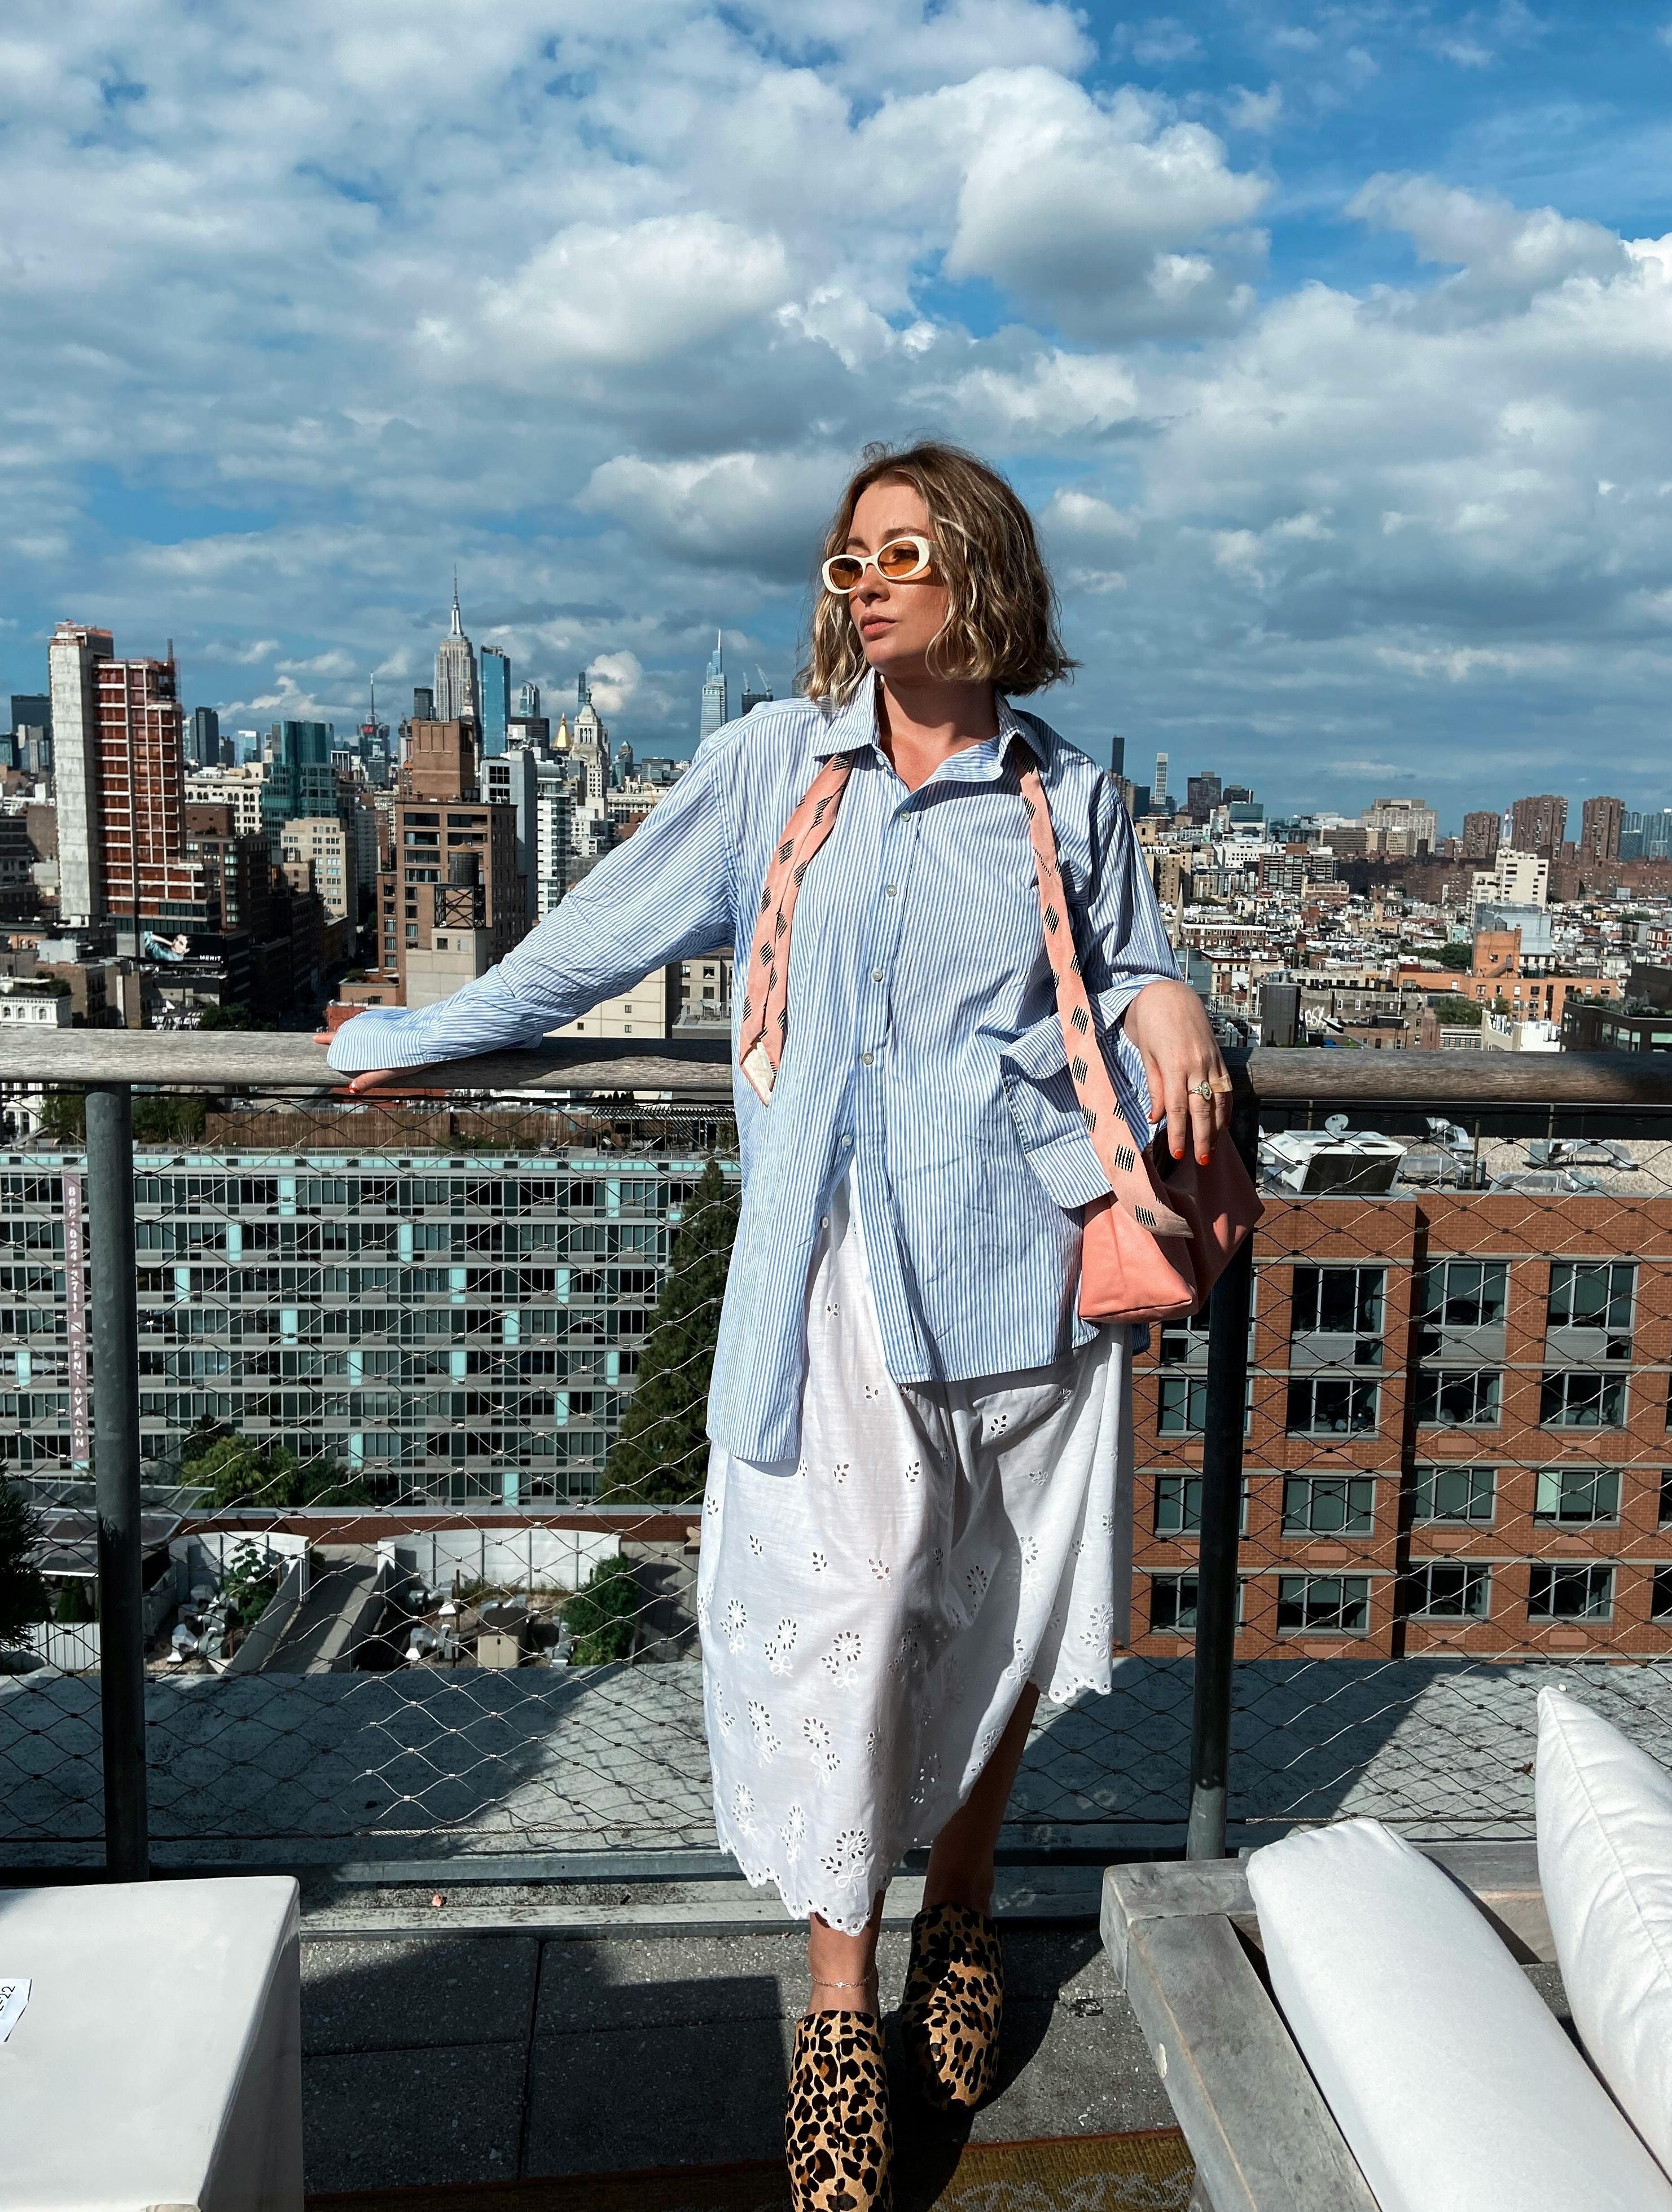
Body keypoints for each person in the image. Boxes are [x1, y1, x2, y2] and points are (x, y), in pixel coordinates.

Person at [324, 440, 1229, 2207]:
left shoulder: (1069, 797)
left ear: (982, 578)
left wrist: (1176, 999)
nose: (865, 584)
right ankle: (836, 2002)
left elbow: (1119, 969)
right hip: (830, 1277)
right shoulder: (772, 769)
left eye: (903, 554)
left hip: (1031, 1266)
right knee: (854, 1623)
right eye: (846, 560)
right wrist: (412, 1038)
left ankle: (962, 1904)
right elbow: (595, 940)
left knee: (997, 1619)